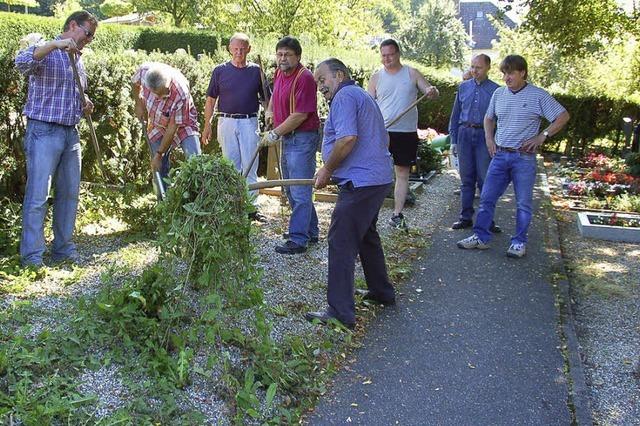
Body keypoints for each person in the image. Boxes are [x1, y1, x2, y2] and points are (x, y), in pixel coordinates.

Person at [305, 58, 395, 330]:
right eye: (317, 82)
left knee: (341, 240)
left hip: (361, 184)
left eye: (323, 80)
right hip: (376, 179)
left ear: (340, 75)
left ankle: (340, 311)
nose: (320, 87)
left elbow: (347, 139)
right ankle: (382, 292)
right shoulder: (361, 96)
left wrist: (327, 169)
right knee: (367, 236)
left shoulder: (345, 97)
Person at [457, 55, 570, 258]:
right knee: (487, 198)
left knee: (523, 203)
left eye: (510, 73)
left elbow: (562, 115)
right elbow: (488, 118)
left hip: (523, 158)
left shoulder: (537, 95)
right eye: (504, 73)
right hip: (500, 154)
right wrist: (489, 139)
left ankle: (518, 242)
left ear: (522, 73)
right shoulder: (499, 94)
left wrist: (542, 136)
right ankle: (480, 237)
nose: (506, 78)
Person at [15, 11, 98, 267]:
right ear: (73, 25)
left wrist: (84, 101)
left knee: (69, 194)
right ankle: (32, 257)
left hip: (70, 134)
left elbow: (71, 90)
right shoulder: (48, 50)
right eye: (88, 33)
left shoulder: (77, 58)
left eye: (92, 37)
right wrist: (54, 45)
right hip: (44, 132)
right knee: (38, 195)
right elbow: (21, 63)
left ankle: (62, 250)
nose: (90, 39)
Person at [367, 39, 439, 230]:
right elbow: (367, 105)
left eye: (390, 54)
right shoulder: (376, 77)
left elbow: (430, 90)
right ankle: (369, 213)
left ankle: (397, 214)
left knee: (402, 173)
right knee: (375, 172)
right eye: (383, 55)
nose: (387, 59)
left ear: (398, 54)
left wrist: (432, 91)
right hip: (382, 131)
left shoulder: (411, 73)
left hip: (406, 132)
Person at [202, 33, 269, 219]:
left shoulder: (257, 71)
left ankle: (251, 208)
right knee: (230, 166)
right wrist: (207, 125)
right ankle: (232, 205)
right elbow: (210, 100)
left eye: (242, 48)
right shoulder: (220, 71)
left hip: (249, 121)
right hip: (226, 121)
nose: (239, 52)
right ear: (230, 49)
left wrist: (271, 114)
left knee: (250, 163)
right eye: (236, 48)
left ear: (249, 49)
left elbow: (266, 100)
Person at [263, 36, 320, 254]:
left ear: (298, 56)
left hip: (302, 138)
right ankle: (310, 231)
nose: (283, 58)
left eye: (287, 54)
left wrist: (275, 133)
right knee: (291, 186)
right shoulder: (280, 72)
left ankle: (298, 239)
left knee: (299, 188)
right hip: (288, 137)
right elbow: (274, 96)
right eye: (279, 54)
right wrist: (269, 110)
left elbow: (300, 115)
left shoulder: (304, 78)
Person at [449, 54, 501, 233]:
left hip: (484, 136)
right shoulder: (463, 87)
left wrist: (495, 141)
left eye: (478, 67)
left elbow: (499, 119)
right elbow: (455, 116)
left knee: (486, 179)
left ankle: (487, 219)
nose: (474, 71)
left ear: (488, 68)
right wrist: (453, 141)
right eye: (472, 67)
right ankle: (465, 217)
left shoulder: (496, 90)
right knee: (466, 179)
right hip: (464, 133)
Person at [132, 62, 201, 181]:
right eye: (155, 94)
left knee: (194, 160)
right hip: (156, 123)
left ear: (168, 83)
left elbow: (172, 128)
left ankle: (197, 195)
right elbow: (134, 84)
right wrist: (138, 103)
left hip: (183, 123)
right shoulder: (143, 71)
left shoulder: (181, 92)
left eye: (161, 93)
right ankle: (163, 197)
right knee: (159, 167)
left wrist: (159, 154)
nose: (159, 98)